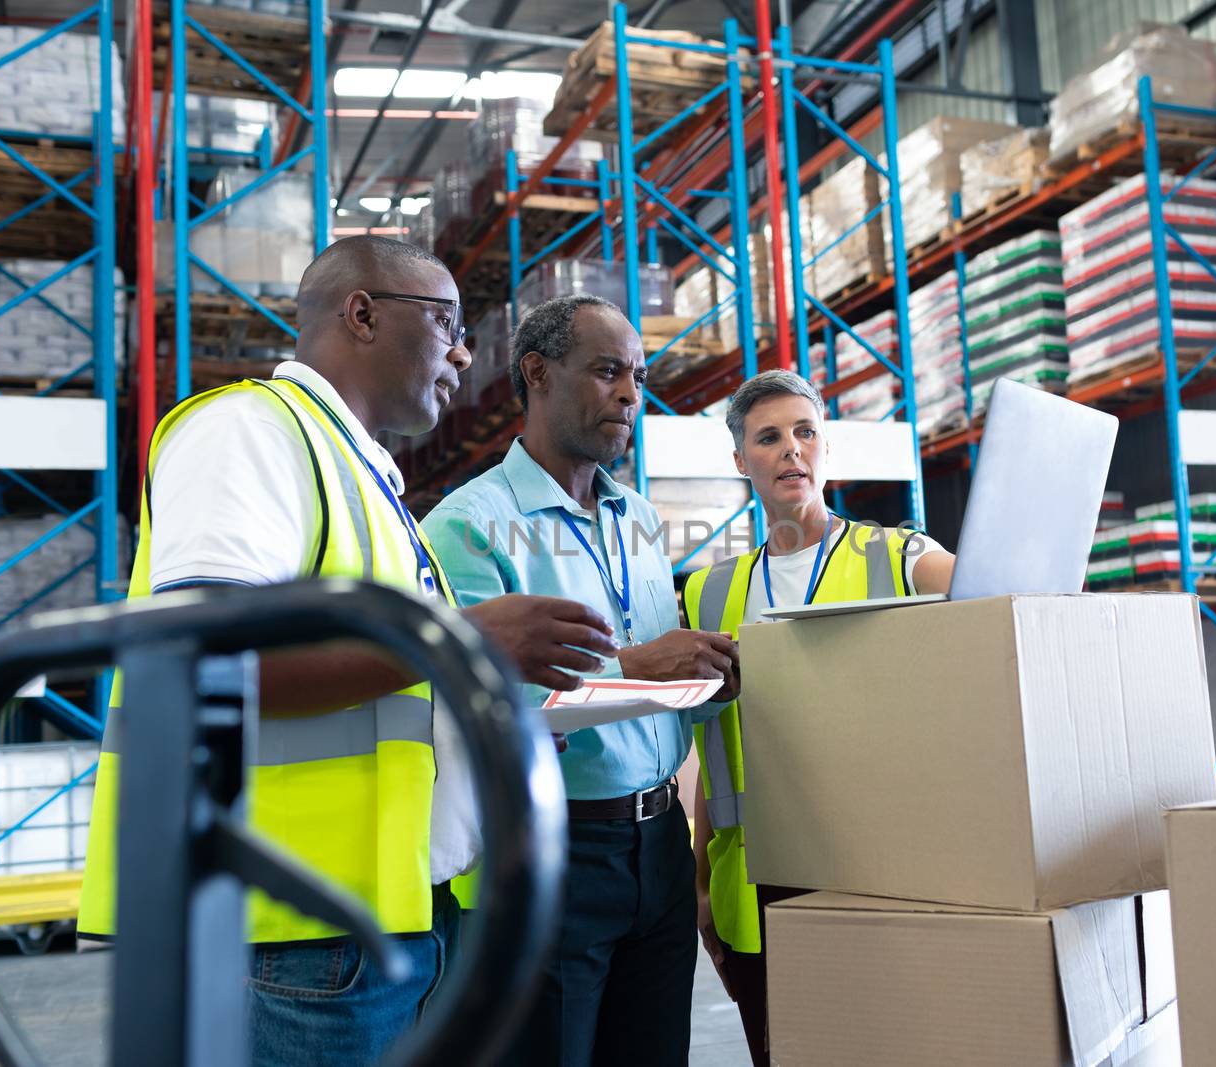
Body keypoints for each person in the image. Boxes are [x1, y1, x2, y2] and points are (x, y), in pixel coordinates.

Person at [77, 236, 620, 1067]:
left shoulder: (369, 482)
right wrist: (465, 640)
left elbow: (390, 692)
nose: (465, 352)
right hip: (287, 930)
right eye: (446, 322)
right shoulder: (250, 431)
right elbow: (200, 663)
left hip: (379, 918)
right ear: (361, 314)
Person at [423, 294, 738, 1067]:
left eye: (637, 374)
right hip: (549, 850)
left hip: (659, 846)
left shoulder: (635, 515)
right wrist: (635, 666)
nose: (631, 394)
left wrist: (703, 679)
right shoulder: (465, 526)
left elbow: (656, 672)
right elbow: (476, 709)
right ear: (537, 373)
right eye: (607, 372)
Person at [681, 369, 956, 1066]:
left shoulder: (897, 555)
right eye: (769, 438)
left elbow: (983, 588)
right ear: (741, 462)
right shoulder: (708, 593)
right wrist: (701, 885)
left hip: (871, 874)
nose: (791, 450)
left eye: (806, 432)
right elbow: (713, 747)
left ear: (828, 450)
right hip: (753, 886)